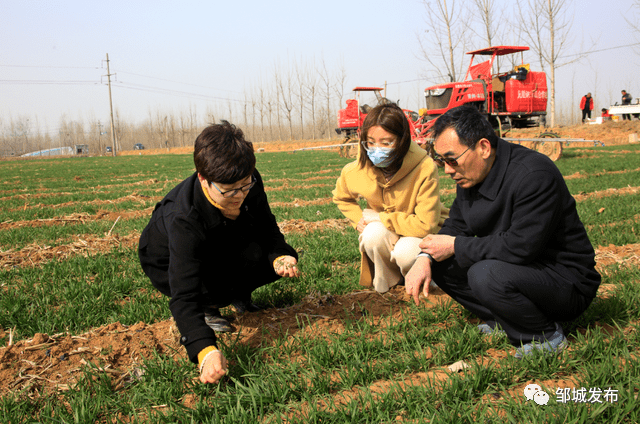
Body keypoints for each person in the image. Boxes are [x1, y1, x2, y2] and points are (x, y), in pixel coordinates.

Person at [405, 106, 601, 358]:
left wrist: (456, 246)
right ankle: (503, 318)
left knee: (484, 273)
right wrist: (425, 258)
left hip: (564, 281)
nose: (448, 170)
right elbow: (456, 225)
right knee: (441, 261)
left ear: (483, 148)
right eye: (442, 161)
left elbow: (521, 247)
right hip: (520, 270)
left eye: (452, 160)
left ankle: (544, 335)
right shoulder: (472, 175)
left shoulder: (533, 174)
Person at [138, 121, 299, 384]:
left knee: (262, 258)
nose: (240, 195)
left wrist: (280, 254)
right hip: (167, 261)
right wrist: (204, 350)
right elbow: (183, 295)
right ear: (203, 178)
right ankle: (210, 305)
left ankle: (236, 294)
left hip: (219, 241)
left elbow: (267, 229)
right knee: (207, 282)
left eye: (245, 185)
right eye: (229, 190)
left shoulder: (249, 181)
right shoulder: (185, 219)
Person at [332, 103, 448, 293]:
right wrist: (358, 220)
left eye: (386, 143)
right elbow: (342, 197)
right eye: (371, 142)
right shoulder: (357, 169)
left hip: (418, 232)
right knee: (372, 235)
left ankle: (424, 284)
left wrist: (380, 218)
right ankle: (387, 288)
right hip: (389, 229)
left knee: (406, 252)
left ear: (402, 140)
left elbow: (425, 225)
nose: (377, 149)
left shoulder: (424, 167)